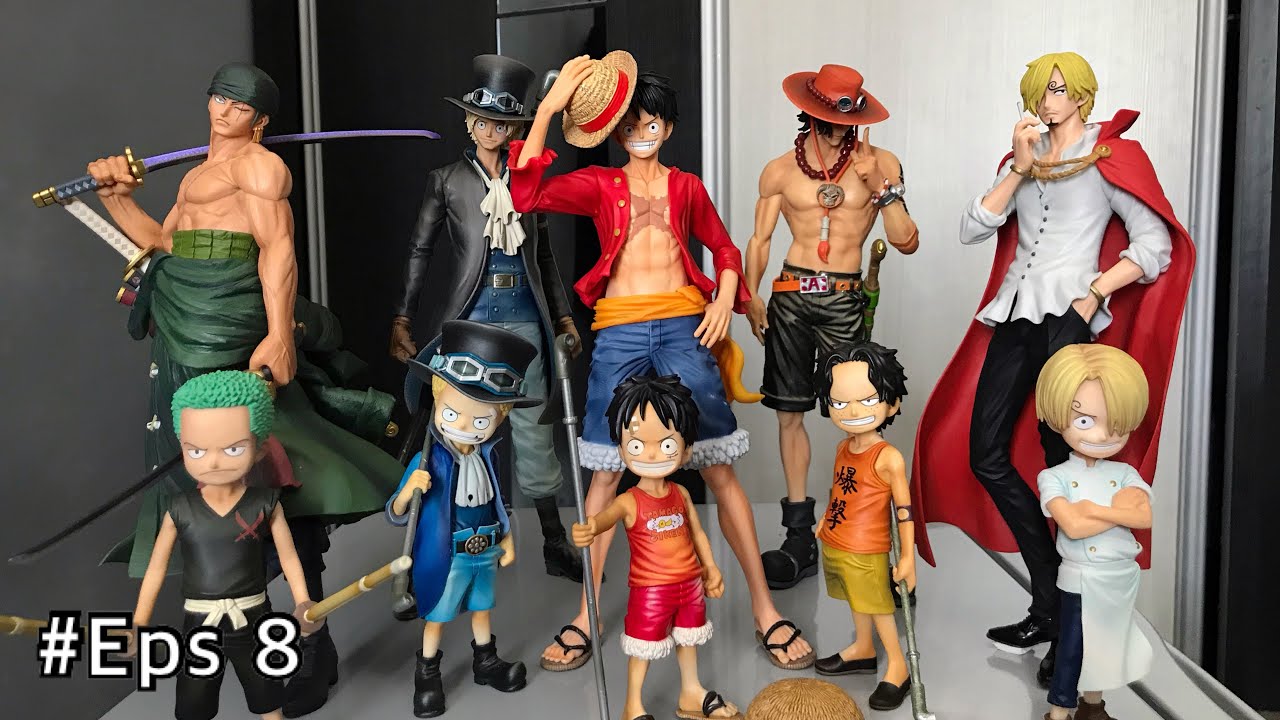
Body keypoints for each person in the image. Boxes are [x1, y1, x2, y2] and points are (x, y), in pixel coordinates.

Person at [87, 62, 405, 715]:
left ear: (259, 120)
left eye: (238, 104)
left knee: (274, 482)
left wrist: (281, 335)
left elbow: (277, 248)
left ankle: (311, 645)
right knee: (210, 484)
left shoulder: (260, 168)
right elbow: (163, 246)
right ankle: (244, 643)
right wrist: (117, 198)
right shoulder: (196, 176)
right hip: (185, 327)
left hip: (234, 328)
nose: (223, 109)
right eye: (218, 97)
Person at [510, 52, 814, 672]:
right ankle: (587, 614)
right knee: (605, 474)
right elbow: (526, 192)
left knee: (718, 468)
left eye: (651, 124)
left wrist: (726, 296)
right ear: (615, 131)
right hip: (620, 332)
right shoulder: (600, 183)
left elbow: (724, 248)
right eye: (630, 126)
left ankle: (764, 608)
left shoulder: (687, 186)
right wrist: (548, 108)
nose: (641, 134)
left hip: (683, 327)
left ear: (667, 128)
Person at [909, 51, 1193, 686]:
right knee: (986, 453)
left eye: (1061, 90)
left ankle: (1068, 624)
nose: (1049, 100)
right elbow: (971, 228)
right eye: (1041, 90)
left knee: (1067, 466)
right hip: (1015, 313)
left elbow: (1155, 245)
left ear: (1084, 96)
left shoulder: (1109, 158)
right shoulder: (1026, 157)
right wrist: (1018, 166)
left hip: (1067, 318)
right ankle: (1047, 602)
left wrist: (1095, 292)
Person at [390, 54, 583, 585]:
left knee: (534, 433)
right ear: (468, 120)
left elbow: (544, 256)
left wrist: (562, 317)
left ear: (515, 128)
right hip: (468, 321)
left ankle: (552, 538)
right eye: (483, 120)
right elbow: (420, 251)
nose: (491, 130)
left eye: (502, 123)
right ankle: (444, 541)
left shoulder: (529, 181)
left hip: (524, 318)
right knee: (455, 431)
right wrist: (403, 317)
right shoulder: (447, 180)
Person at [743, 64, 918, 589]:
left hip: (844, 297)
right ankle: (800, 537)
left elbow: (907, 241)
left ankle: (871, 535)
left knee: (862, 415)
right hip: (792, 295)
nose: (838, 132)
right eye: (828, 122)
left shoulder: (881, 162)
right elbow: (759, 241)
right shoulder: (780, 170)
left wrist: (879, 186)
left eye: (847, 123)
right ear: (809, 115)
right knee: (789, 414)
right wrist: (751, 296)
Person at [387, 321, 539, 717]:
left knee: (482, 608)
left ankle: (486, 662)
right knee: (437, 616)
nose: (466, 427)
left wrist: (506, 538)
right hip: (448, 554)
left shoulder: (488, 456)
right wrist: (408, 490)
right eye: (453, 413)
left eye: (481, 421)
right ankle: (427, 674)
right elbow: (397, 512)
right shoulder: (428, 460)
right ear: (437, 400)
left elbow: (497, 503)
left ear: (500, 418)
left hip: (484, 550)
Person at [572, 375, 742, 720]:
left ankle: (691, 690)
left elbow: (697, 533)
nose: (651, 454)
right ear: (622, 450)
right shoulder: (630, 500)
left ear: (686, 449)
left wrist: (710, 567)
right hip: (651, 590)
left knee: (689, 639)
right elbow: (604, 519)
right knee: (643, 646)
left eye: (666, 445)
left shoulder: (680, 494)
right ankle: (633, 704)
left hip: (690, 585)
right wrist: (589, 528)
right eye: (637, 446)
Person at [1035, 344, 1153, 720]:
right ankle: (1058, 712)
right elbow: (1071, 526)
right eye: (1085, 421)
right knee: (1072, 647)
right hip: (1080, 579)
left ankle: (1093, 706)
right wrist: (1117, 513)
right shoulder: (1054, 476)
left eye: (1115, 424)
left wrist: (1092, 510)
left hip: (1120, 578)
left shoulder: (1125, 473)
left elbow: (1143, 516)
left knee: (1106, 647)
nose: (1102, 435)